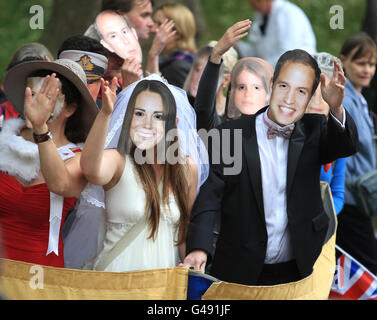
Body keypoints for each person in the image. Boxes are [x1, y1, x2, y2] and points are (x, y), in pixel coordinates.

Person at [180, 49, 359, 286]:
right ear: (272, 83)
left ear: (310, 97)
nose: (289, 99)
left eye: (301, 91)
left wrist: (336, 108)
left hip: (299, 269)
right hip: (239, 268)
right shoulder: (229, 135)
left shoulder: (314, 130)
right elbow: (210, 197)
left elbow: (346, 145)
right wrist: (199, 248)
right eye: (284, 86)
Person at [78, 75, 208, 272]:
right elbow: (90, 169)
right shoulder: (118, 161)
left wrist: (192, 262)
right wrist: (105, 114)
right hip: (114, 286)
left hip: (161, 291)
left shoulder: (186, 169)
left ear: (173, 123)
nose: (146, 123)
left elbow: (182, 234)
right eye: (139, 114)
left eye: (158, 116)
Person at [0, 59, 99, 267]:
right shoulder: (3, 141)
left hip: (40, 277)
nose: (36, 103)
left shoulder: (78, 156)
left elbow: (61, 185)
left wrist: (40, 129)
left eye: (47, 97)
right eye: (32, 94)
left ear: (70, 109)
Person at [336, 32, 377, 274]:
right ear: (343, 61)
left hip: (361, 198)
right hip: (350, 199)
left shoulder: (359, 98)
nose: (367, 70)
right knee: (369, 267)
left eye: (371, 64)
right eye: (360, 63)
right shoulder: (345, 100)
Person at [194, 20, 273, 131]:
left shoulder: (278, 134)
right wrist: (216, 54)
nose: (247, 93)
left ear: (268, 95)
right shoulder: (222, 130)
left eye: (256, 88)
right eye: (241, 87)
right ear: (231, 93)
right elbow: (203, 110)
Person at [306, 52, 347, 215]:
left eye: (324, 93)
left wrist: (323, 218)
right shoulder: (285, 131)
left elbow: (337, 194)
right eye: (311, 91)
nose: (317, 100)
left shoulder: (339, 137)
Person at [237, 0, 317, 67]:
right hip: (275, 74)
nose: (250, 4)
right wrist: (236, 45)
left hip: (300, 70)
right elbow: (257, 53)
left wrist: (261, 67)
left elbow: (289, 55)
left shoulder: (288, 13)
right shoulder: (261, 17)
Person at [1, 43, 55, 130]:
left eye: (41, 75)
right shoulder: (2, 112)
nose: (32, 85)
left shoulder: (62, 113)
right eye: (24, 76)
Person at [152, 3, 197, 88]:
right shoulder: (169, 61)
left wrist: (153, 54)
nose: (153, 29)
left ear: (177, 33)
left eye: (159, 24)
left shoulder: (178, 67)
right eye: (154, 22)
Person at [57, 35, 109, 105]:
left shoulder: (109, 114)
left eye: (89, 82)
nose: (82, 89)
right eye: (74, 81)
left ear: (101, 84)